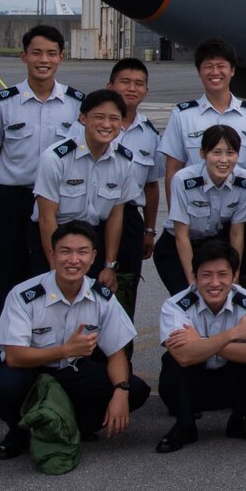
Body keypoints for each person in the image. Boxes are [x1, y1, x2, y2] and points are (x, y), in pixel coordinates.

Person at [0, 222, 152, 462]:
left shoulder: (100, 296)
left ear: (93, 257)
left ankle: (74, 427)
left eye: (82, 252)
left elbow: (117, 353)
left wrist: (121, 391)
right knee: (4, 386)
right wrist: (65, 350)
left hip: (73, 370)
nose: (73, 260)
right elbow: (14, 356)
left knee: (135, 390)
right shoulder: (25, 295)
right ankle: (19, 432)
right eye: (65, 251)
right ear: (52, 255)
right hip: (31, 370)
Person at [0, 24, 83, 386]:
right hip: (15, 201)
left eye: (52, 53)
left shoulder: (76, 103)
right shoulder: (2, 102)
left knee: (51, 285)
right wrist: (6, 192)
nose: (44, 60)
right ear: (23, 56)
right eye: (36, 53)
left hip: (57, 205)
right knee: (4, 287)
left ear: (61, 58)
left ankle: (43, 372)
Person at [154, 241, 246, 453]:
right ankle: (185, 425)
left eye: (222, 274)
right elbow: (184, 356)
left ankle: (243, 420)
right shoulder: (175, 306)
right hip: (193, 384)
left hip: (232, 382)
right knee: (174, 361)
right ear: (194, 276)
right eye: (206, 275)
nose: (214, 283)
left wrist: (202, 341)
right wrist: (234, 334)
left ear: (235, 275)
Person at [34, 89, 140, 304]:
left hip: (93, 241)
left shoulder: (124, 160)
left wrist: (109, 265)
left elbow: (116, 215)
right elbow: (47, 218)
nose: (106, 124)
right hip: (55, 240)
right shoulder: (56, 158)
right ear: (83, 118)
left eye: (114, 119)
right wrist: (56, 267)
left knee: (94, 311)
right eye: (99, 117)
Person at [158, 125, 246, 297]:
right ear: (203, 154)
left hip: (214, 245)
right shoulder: (183, 180)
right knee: (188, 299)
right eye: (216, 152)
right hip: (177, 246)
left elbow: (237, 232)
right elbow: (182, 236)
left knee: (221, 298)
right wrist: (193, 282)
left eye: (231, 153)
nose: (224, 160)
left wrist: (235, 273)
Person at [106, 58, 166, 336]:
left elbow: (151, 186)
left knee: (125, 290)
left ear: (146, 91)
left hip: (129, 219)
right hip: (92, 217)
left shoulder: (150, 134)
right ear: (110, 86)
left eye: (139, 84)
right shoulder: (94, 125)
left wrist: (149, 229)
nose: (132, 88)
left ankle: (121, 361)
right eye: (125, 82)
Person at [160, 38, 246, 185]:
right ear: (199, 71)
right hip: (196, 203)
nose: (215, 72)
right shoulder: (182, 115)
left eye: (221, 66)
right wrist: (174, 208)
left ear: (232, 70)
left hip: (241, 204)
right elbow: (173, 168)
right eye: (208, 66)